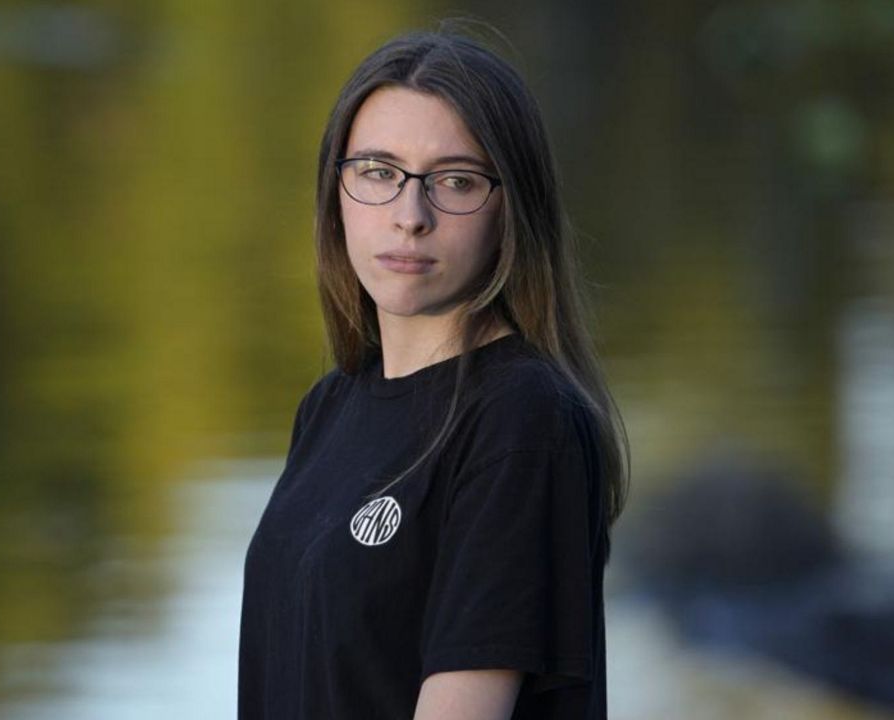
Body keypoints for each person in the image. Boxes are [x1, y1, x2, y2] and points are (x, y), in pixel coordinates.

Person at [238, 27, 629, 720]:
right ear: (337, 191)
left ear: (513, 207)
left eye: (455, 181)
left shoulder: (520, 418)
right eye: (379, 172)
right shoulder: (330, 408)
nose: (409, 217)